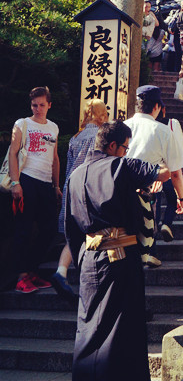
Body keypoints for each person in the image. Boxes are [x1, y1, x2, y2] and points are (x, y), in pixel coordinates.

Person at [65, 120, 170, 381]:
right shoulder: (122, 165)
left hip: (89, 258)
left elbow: (71, 229)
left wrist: (82, 259)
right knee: (123, 327)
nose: (126, 151)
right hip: (120, 256)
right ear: (112, 145)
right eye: (125, 147)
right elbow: (165, 172)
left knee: (89, 326)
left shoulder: (76, 175)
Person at [52, 98, 109, 303]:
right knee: (90, 234)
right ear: (102, 114)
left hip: (71, 187)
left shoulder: (75, 138)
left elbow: (68, 169)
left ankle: (61, 271)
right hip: (89, 188)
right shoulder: (100, 136)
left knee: (73, 234)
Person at [8, 86, 62, 294]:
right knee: (24, 229)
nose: (38, 109)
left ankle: (31, 271)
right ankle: (22, 277)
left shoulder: (54, 127)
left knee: (49, 229)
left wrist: (56, 186)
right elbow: (13, 154)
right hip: (27, 179)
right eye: (34, 105)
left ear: (49, 105)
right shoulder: (22, 124)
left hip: (46, 182)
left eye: (41, 105)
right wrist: (16, 183)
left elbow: (55, 158)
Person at [126, 85, 183, 267]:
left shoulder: (122, 126)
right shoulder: (163, 131)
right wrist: (181, 197)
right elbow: (175, 173)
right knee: (144, 234)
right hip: (147, 192)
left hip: (120, 191)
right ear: (156, 107)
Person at [154, 106, 183, 243]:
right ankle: (166, 223)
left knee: (155, 203)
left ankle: (152, 241)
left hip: (154, 172)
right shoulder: (172, 123)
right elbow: (181, 147)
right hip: (171, 170)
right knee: (172, 200)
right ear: (163, 109)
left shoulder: (149, 126)